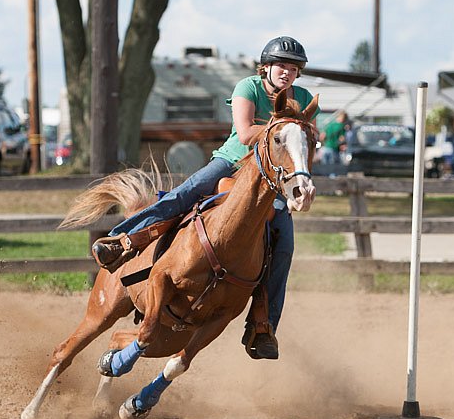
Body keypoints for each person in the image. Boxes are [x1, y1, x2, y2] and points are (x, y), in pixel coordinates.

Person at [91, 36, 318, 360]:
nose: (287, 72)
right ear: (266, 67)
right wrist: (279, 128)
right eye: (281, 65)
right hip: (232, 161)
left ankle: (263, 326)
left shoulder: (306, 98)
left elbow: (306, 142)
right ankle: (121, 240)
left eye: (293, 68)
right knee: (184, 194)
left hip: (272, 180)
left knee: (284, 245)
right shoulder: (247, 87)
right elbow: (243, 133)